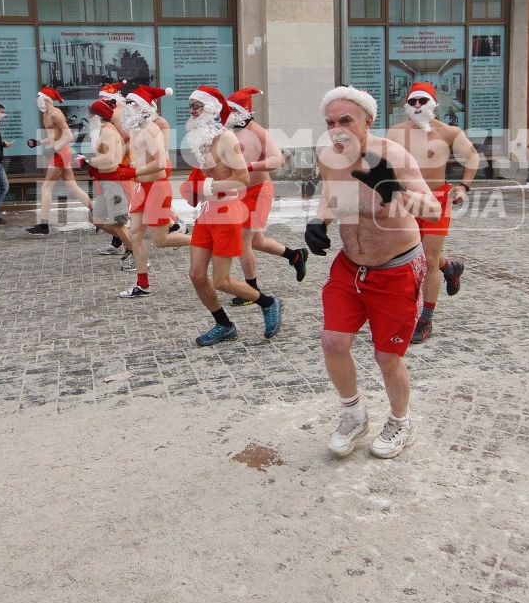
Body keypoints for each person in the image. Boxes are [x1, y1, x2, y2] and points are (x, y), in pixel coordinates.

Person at [308, 86, 438, 461]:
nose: (337, 129)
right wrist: (319, 221)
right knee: (333, 342)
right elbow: (333, 192)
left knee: (387, 357)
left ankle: (401, 421)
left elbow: (430, 210)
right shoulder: (330, 157)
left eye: (346, 120)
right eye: (330, 122)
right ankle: (353, 415)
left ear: (368, 120)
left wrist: (393, 189)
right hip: (350, 267)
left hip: (395, 269)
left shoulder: (393, 156)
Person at [181, 86, 281, 346]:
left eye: (197, 106)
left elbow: (241, 180)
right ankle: (224, 325)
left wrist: (207, 187)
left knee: (222, 280)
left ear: (212, 108)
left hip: (227, 214)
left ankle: (268, 302)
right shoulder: (201, 138)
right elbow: (203, 174)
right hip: (207, 214)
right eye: (190, 105)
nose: (191, 111)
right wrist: (192, 189)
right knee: (196, 275)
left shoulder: (226, 139)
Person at [387, 81, 479, 342]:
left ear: (433, 104)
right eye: (413, 101)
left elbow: (472, 157)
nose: (417, 106)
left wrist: (464, 186)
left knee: (428, 259)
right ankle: (449, 268)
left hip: (438, 199)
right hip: (407, 200)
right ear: (407, 105)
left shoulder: (448, 132)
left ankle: (425, 319)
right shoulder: (395, 133)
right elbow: (380, 162)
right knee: (406, 256)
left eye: (423, 101)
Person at [228, 86, 308, 286]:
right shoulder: (232, 130)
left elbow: (277, 159)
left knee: (242, 240)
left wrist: (250, 165)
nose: (230, 114)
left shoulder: (258, 132)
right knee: (256, 241)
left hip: (258, 192)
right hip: (240, 193)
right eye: (229, 110)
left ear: (245, 111)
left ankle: (251, 290)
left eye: (234, 110)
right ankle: (295, 255)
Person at [124, 85, 190, 297]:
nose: (127, 107)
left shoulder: (151, 129)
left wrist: (133, 171)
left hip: (157, 188)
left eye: (130, 103)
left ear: (142, 106)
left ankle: (204, 240)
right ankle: (142, 284)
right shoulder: (136, 129)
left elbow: (161, 162)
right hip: (141, 187)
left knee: (160, 241)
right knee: (135, 234)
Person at [86, 97, 142, 287]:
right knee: (96, 219)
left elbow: (110, 163)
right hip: (105, 183)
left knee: (118, 224)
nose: (87, 117)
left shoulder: (108, 133)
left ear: (97, 115)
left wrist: (88, 162)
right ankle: (130, 246)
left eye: (90, 113)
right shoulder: (102, 131)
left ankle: (138, 256)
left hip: (115, 183)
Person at [26, 86, 90, 235]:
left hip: (60, 154)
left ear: (45, 99)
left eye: (38, 97)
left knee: (46, 188)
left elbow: (69, 136)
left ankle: (44, 225)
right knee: (73, 187)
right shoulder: (45, 114)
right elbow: (53, 136)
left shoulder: (55, 114)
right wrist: (38, 142)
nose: (36, 100)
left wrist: (53, 149)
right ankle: (97, 213)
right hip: (59, 153)